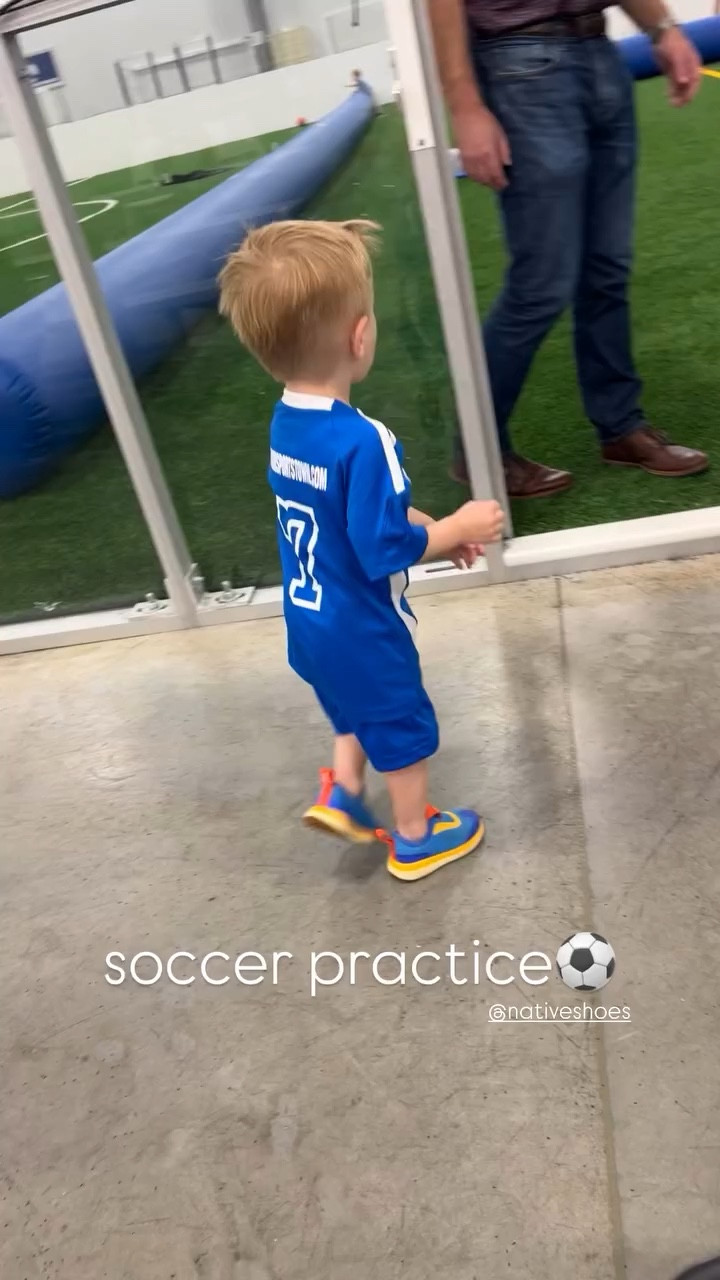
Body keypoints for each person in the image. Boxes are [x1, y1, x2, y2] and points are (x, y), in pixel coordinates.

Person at [218, 219, 504, 881]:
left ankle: (343, 788)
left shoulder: (286, 422)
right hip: (361, 626)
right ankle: (414, 834)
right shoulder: (363, 439)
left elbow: (354, 516)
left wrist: (427, 526)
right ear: (362, 335)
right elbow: (383, 549)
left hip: (307, 618)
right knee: (400, 721)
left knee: (348, 703)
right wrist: (458, 527)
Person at [428, 0, 709, 498]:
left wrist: (662, 28)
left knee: (607, 266)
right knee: (541, 281)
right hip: (519, 62)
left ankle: (621, 426)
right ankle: (479, 450)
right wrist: (465, 105)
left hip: (598, 51)